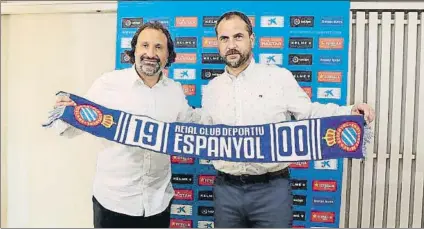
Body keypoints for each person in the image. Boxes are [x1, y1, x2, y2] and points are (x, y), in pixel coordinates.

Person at [200, 11, 375, 228]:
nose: (231, 45)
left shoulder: (278, 77)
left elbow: (309, 112)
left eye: (238, 36)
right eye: (224, 38)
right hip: (226, 190)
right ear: (217, 43)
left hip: (272, 190)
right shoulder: (211, 89)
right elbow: (203, 132)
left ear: (251, 39)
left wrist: (349, 111)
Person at [52, 21, 194, 228]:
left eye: (158, 47)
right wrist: (65, 113)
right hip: (114, 203)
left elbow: (192, 128)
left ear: (168, 55)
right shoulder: (108, 84)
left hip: (158, 204)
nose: (150, 53)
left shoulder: (175, 91)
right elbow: (71, 129)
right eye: (144, 45)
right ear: (134, 50)